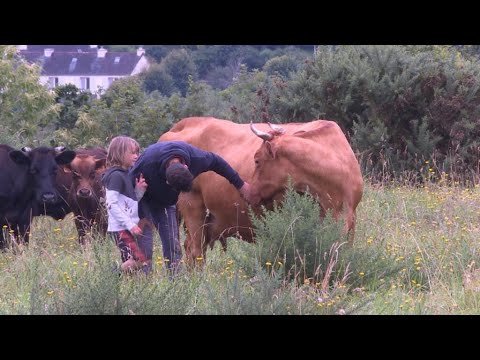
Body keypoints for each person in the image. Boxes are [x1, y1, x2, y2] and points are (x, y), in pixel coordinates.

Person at [129, 140, 252, 274]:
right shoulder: (146, 164)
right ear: (166, 180)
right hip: (143, 199)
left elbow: (218, 163)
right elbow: (126, 190)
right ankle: (142, 281)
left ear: (187, 167)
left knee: (172, 243)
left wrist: (241, 185)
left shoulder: (197, 159)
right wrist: (134, 215)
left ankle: (175, 281)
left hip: (165, 203)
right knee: (144, 247)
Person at [102, 136, 149, 273]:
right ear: (119, 153)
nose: (136, 156)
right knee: (139, 260)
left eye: (137, 153)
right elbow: (111, 204)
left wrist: (139, 191)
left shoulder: (126, 174)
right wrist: (130, 225)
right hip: (120, 228)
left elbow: (129, 203)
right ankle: (111, 276)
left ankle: (123, 284)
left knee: (132, 261)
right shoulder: (116, 176)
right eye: (132, 153)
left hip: (126, 227)